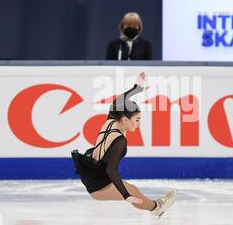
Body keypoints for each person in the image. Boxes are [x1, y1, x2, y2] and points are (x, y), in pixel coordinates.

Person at [72, 72, 177, 216]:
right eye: (137, 120)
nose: (139, 124)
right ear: (125, 119)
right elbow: (111, 169)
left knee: (132, 190)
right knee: (133, 191)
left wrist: (137, 89)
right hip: (98, 185)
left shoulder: (111, 120)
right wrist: (125, 195)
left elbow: (119, 102)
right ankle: (156, 208)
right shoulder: (119, 140)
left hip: (90, 171)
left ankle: (155, 206)